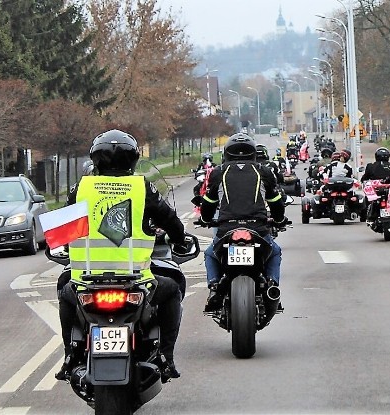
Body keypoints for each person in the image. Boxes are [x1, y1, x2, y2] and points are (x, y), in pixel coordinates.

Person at [57, 130, 191, 382]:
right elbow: (170, 219)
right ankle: (166, 357)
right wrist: (180, 238)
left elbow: (63, 230)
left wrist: (64, 246)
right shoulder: (142, 187)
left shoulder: (81, 188)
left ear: (95, 158)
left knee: (64, 291)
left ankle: (69, 357)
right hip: (136, 282)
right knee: (172, 289)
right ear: (133, 159)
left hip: (86, 282)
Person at [200, 134, 288, 312]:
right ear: (253, 153)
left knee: (211, 253)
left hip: (227, 229)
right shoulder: (264, 171)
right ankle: (272, 286)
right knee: (275, 252)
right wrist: (279, 219)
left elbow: (208, 203)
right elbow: (276, 202)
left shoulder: (218, 172)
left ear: (227, 153)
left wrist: (205, 220)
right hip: (257, 228)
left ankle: (214, 286)